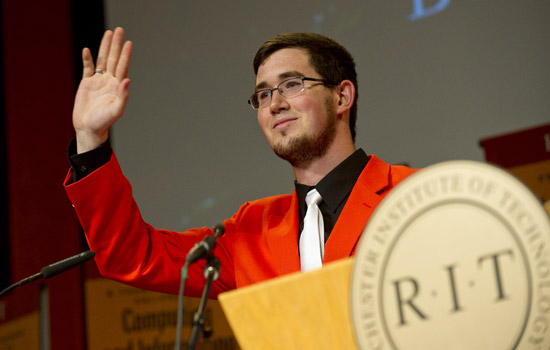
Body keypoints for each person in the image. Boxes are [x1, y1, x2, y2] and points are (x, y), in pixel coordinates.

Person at [64, 27, 417, 298]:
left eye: (291, 84)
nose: (274, 103)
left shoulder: (413, 197)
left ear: (341, 96)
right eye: (263, 94)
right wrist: (91, 141)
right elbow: (133, 257)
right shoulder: (249, 233)